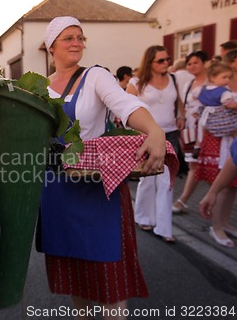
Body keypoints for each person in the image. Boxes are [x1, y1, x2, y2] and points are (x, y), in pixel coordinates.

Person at [40, 16, 166, 320]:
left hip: (96, 186)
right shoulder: (39, 87)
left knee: (110, 280)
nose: (76, 43)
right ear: (51, 46)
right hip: (56, 189)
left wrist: (155, 131)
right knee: (76, 279)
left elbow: (125, 105)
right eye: (68, 37)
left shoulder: (94, 76)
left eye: (80, 37)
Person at [127, 45, 183, 243]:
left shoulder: (173, 79)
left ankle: (164, 228)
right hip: (146, 137)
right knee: (147, 179)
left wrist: (181, 115)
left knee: (167, 181)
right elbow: (126, 110)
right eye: (160, 60)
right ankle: (143, 217)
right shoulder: (135, 82)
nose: (166, 63)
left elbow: (178, 102)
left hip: (170, 135)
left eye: (167, 59)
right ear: (149, 62)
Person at [196, 49, 237, 248]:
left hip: (224, 139)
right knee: (222, 185)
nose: (228, 79)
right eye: (225, 76)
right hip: (223, 140)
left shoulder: (210, 89)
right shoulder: (223, 92)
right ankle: (217, 226)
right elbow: (229, 106)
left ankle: (225, 222)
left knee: (231, 188)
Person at [172, 50, 209, 214]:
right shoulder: (188, 84)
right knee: (193, 165)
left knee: (212, 167)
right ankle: (184, 200)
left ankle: (189, 200)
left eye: (196, 62)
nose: (192, 66)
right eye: (189, 63)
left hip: (209, 131)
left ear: (204, 63)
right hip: (191, 131)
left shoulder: (213, 82)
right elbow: (183, 106)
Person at [199, 137, 237, 248]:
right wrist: (213, 192)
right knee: (225, 189)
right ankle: (217, 227)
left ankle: (224, 224)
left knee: (232, 187)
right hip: (220, 143)